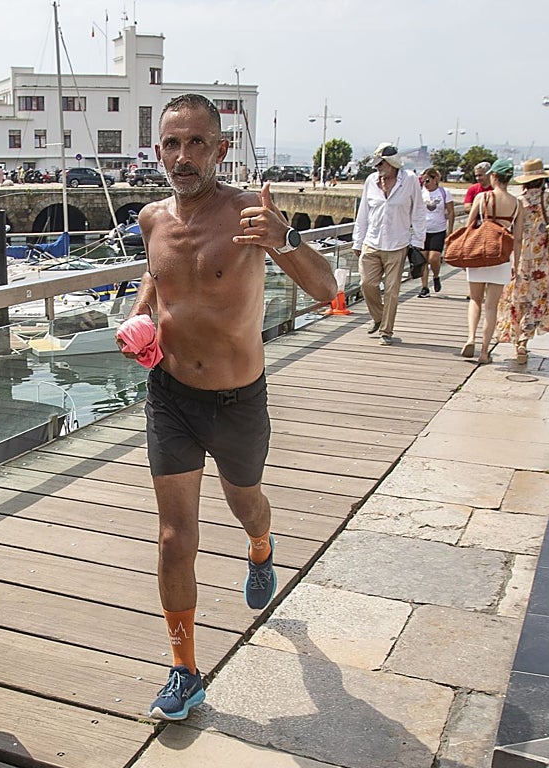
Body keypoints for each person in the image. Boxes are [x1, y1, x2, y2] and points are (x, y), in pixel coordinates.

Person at [116, 94, 336, 722]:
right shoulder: (152, 218)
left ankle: (262, 545)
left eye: (196, 143)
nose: (182, 157)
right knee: (172, 536)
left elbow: (327, 290)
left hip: (239, 400)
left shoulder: (250, 215)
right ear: (158, 151)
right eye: (171, 144)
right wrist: (137, 319)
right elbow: (158, 277)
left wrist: (286, 239)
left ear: (221, 148)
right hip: (171, 396)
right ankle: (184, 670)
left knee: (246, 503)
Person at [497, 159, 549, 364]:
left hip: (519, 258)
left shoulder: (518, 200)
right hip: (545, 258)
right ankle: (523, 340)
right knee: (538, 300)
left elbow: (508, 229)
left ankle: (516, 340)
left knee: (518, 299)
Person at [352, 143, 426, 345]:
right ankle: (378, 317)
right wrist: (357, 241)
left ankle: (386, 331)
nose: (378, 168)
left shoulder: (409, 180)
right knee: (367, 284)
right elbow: (363, 213)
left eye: (381, 164)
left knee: (392, 290)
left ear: (392, 164)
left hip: (397, 243)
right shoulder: (371, 181)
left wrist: (418, 240)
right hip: (372, 241)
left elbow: (418, 212)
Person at [460, 159, 522, 365]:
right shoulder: (517, 203)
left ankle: (471, 338)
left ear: (493, 176)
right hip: (501, 256)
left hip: (479, 253)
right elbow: (518, 237)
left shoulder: (482, 197)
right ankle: (485, 351)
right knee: (492, 306)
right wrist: (516, 263)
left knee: (475, 299)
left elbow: (469, 226)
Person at [418, 168, 454, 296]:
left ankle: (436, 276)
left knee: (433, 258)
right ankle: (424, 287)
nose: (425, 183)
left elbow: (450, 212)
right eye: (423, 181)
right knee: (423, 259)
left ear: (435, 180)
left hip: (438, 230)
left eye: (427, 180)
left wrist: (450, 230)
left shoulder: (444, 192)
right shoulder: (420, 193)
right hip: (423, 230)